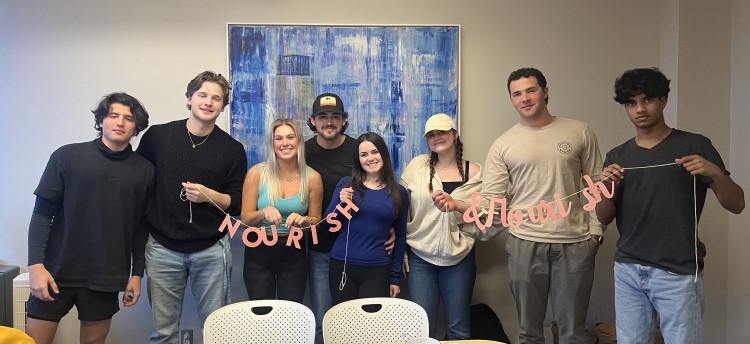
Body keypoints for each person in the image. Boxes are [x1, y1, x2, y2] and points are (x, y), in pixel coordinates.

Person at [596, 68, 745, 344]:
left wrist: (715, 173)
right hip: (628, 269)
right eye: (631, 102)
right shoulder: (617, 155)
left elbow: (737, 204)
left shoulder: (695, 145)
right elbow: (604, 216)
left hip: (677, 272)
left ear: (663, 100)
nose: (640, 109)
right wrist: (607, 190)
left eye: (648, 99)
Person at [481, 67, 605, 343]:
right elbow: (493, 201)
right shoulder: (503, 144)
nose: (524, 98)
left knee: (572, 332)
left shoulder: (579, 131)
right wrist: (457, 207)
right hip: (525, 243)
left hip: (575, 242)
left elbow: (597, 186)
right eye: (517, 94)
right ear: (511, 99)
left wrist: (595, 233)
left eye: (531, 90)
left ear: (545, 92)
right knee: (529, 333)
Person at [25, 92, 153, 344]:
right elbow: (41, 213)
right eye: (113, 115)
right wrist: (35, 266)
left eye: (128, 118)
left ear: (136, 126)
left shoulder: (145, 171)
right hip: (54, 270)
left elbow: (141, 227)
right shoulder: (67, 157)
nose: (120, 122)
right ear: (101, 120)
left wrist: (137, 274)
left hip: (105, 276)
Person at [137, 71, 247, 344]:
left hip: (211, 249)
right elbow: (138, 182)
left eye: (217, 98)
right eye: (202, 95)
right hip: (162, 247)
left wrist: (210, 196)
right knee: (164, 333)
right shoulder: (158, 137)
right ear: (189, 99)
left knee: (217, 330)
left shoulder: (232, 149)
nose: (209, 102)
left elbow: (238, 204)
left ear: (223, 106)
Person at [304, 93, 394, 343]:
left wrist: (387, 225)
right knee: (326, 320)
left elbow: (384, 191)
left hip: (360, 250)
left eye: (335, 116)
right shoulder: (302, 152)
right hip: (321, 249)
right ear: (313, 121)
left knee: (365, 324)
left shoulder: (358, 150)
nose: (329, 122)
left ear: (344, 120)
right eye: (323, 117)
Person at [400, 113, 482, 339]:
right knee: (423, 328)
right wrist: (403, 252)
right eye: (431, 135)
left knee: (459, 327)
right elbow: (402, 208)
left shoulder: (475, 172)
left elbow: (487, 214)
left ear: (454, 134)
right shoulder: (417, 167)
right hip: (420, 257)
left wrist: (457, 205)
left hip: (460, 257)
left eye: (442, 132)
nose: (437, 138)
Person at [241, 118, 323, 302]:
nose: (285, 143)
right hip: (258, 253)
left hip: (294, 253)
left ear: (299, 141)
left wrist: (304, 221)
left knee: (291, 315)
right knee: (261, 314)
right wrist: (262, 212)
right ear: (272, 143)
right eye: (279, 138)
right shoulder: (256, 173)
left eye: (290, 137)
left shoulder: (313, 178)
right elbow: (245, 219)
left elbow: (316, 221)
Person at [324, 132, 408, 304]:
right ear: (358, 160)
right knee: (344, 324)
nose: (370, 158)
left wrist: (395, 278)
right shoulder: (346, 185)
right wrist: (341, 203)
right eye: (364, 154)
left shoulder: (399, 192)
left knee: (371, 327)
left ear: (383, 154)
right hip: (343, 265)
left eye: (374, 152)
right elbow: (327, 223)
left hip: (378, 269)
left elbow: (400, 236)